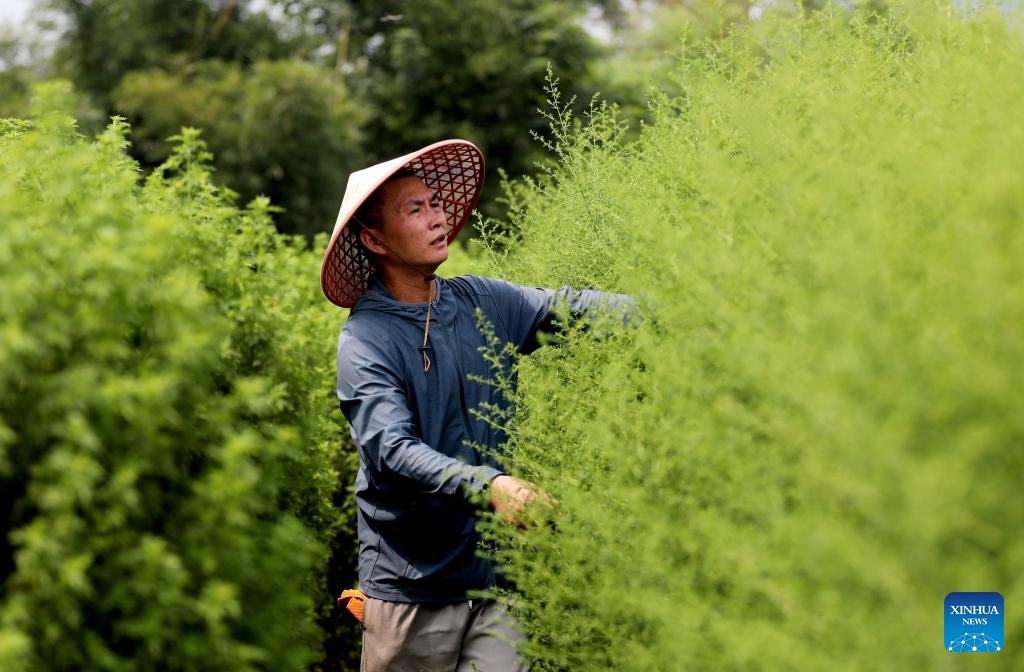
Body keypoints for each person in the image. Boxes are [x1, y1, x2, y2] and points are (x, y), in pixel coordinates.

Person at [320, 140, 631, 671]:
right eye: (414, 210)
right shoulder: (366, 341)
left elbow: (572, 308)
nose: (437, 217)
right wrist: (488, 486)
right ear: (375, 239)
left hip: (495, 579)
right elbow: (391, 449)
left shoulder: (480, 300)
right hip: (409, 591)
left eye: (435, 204)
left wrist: (682, 307)